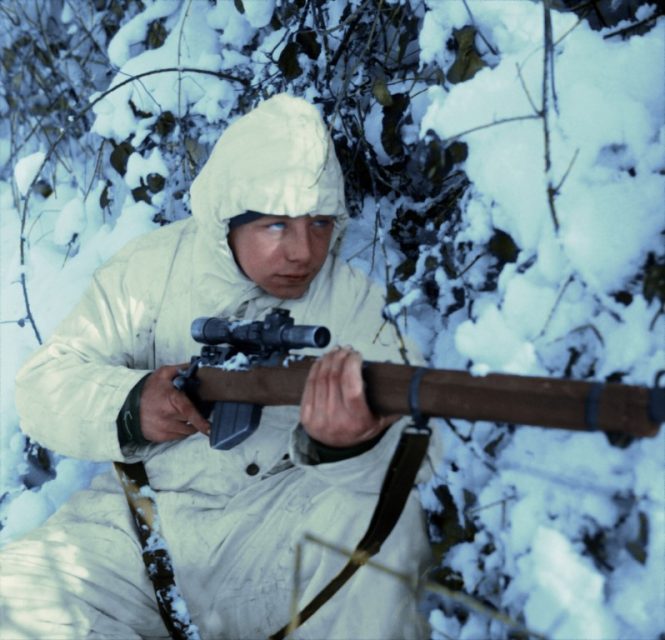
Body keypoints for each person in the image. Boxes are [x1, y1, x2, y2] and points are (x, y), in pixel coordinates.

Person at [1, 94, 440, 639]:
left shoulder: (355, 307)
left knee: (384, 532)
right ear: (227, 219)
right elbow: (44, 385)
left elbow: (425, 457)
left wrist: (348, 448)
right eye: (277, 225)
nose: (304, 251)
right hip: (140, 525)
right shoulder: (149, 271)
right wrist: (133, 405)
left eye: (321, 223)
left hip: (275, 528)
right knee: (15, 602)